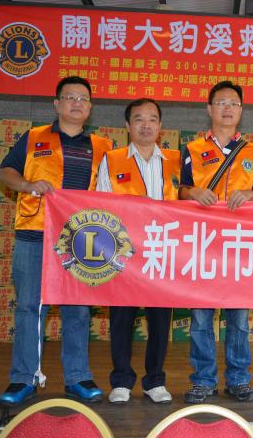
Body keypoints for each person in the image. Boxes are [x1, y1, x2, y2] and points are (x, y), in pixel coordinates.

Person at [0, 76, 112, 406]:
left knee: (78, 309)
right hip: (35, 234)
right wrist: (27, 185)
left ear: (90, 108)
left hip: (82, 240)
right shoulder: (34, 138)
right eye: (70, 97)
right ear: (57, 103)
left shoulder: (103, 147)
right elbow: (6, 172)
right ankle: (24, 378)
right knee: (29, 308)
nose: (77, 103)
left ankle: (77, 377)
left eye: (83, 98)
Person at [179, 81, 253, 404]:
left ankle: (239, 380)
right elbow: (180, 190)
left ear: (241, 110)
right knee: (201, 319)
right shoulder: (192, 149)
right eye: (221, 103)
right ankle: (203, 380)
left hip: (240, 244)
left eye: (233, 103)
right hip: (201, 244)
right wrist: (194, 192)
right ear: (209, 109)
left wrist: (250, 195)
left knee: (239, 319)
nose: (227, 109)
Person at [96, 98, 180, 405]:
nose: (146, 125)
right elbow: (102, 204)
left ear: (160, 126)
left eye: (152, 119)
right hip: (125, 253)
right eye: (139, 119)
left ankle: (155, 380)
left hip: (162, 251)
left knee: (160, 321)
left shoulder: (174, 160)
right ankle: (121, 380)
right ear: (127, 125)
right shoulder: (112, 159)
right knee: (122, 319)